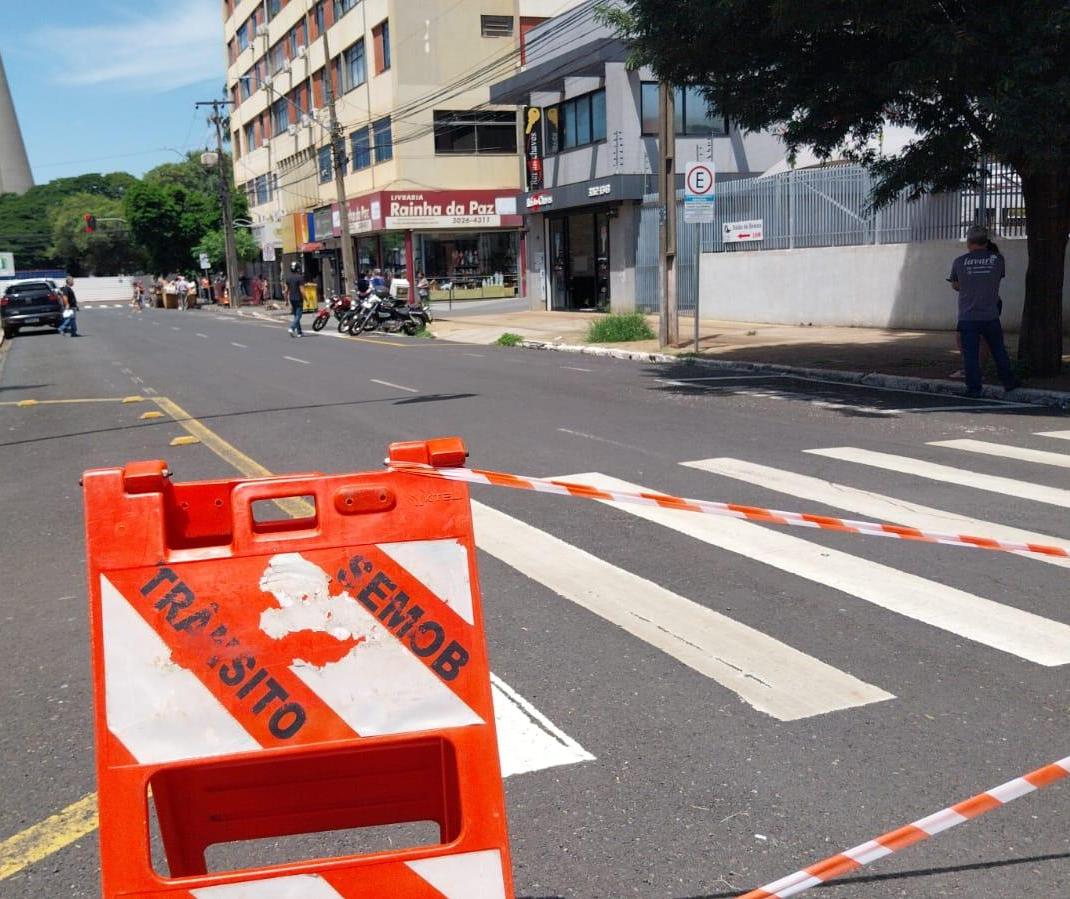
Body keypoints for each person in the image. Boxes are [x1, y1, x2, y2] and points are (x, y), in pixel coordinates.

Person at [948, 225, 1019, 397]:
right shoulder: (998, 260)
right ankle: (1009, 381)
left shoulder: (959, 262)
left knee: (970, 355)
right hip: (990, 313)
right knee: (998, 350)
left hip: (968, 315)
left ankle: (974, 388)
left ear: (969, 242)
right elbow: (997, 279)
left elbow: (956, 285)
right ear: (986, 242)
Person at [285, 261, 305, 337]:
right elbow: (302, 290)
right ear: (298, 269)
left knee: (296, 315)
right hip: (299, 298)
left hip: (292, 298)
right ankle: (292, 327)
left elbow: (286, 291)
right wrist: (306, 298)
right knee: (299, 315)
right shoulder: (300, 277)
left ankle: (299, 332)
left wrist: (286, 300)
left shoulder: (288, 278)